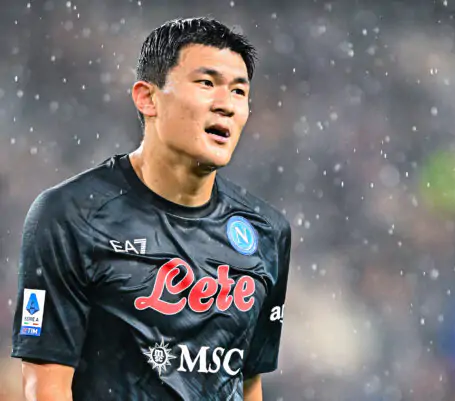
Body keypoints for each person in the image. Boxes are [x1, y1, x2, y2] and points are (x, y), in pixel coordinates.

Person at [11, 17, 292, 401]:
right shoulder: (71, 216)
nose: (226, 104)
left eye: (239, 91)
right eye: (206, 83)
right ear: (147, 98)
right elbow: (46, 386)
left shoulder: (267, 232)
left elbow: (248, 383)